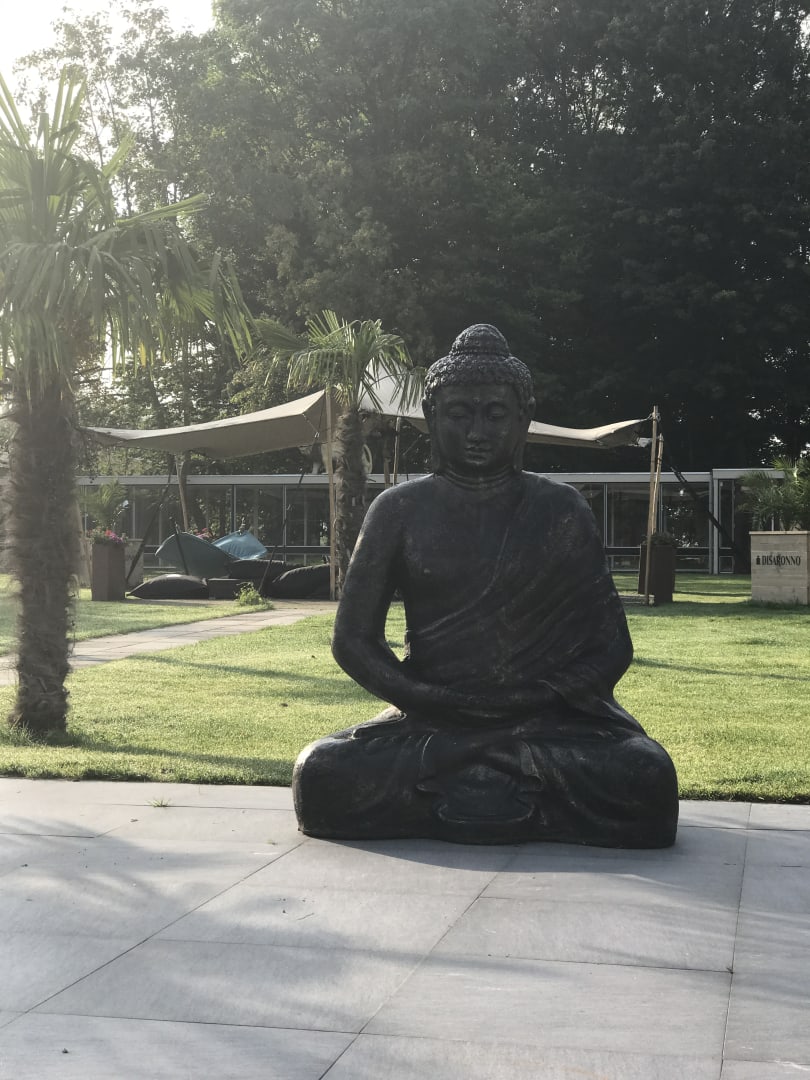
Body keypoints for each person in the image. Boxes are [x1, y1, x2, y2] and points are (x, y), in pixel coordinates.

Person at [293, 324, 678, 847]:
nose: (477, 432)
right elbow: (353, 641)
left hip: (544, 719)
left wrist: (532, 698)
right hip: (432, 717)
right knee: (321, 771)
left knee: (646, 774)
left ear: (523, 418)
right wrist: (430, 699)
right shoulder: (398, 510)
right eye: (459, 414)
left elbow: (611, 647)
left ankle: (476, 757)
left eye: (495, 415)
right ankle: (492, 758)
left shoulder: (561, 509)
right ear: (431, 416)